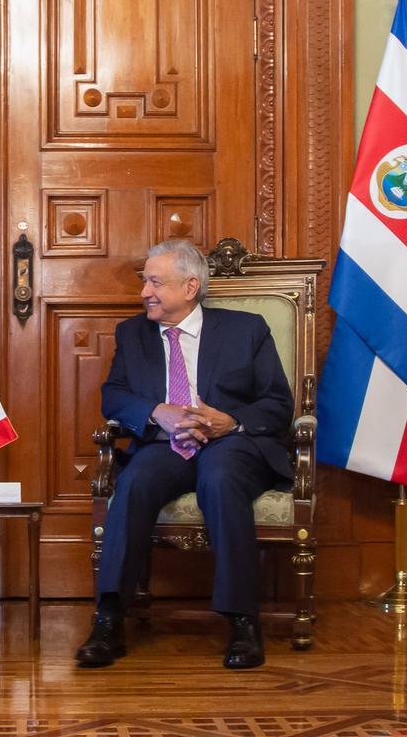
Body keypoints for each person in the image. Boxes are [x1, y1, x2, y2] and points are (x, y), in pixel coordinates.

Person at [76, 239, 293, 670]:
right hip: (166, 446)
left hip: (231, 446)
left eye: (155, 283)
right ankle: (109, 619)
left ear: (190, 286)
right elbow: (113, 396)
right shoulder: (133, 334)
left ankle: (242, 621)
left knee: (220, 478)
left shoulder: (246, 330)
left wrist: (231, 421)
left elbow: (278, 404)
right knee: (134, 483)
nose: (145, 292)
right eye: (145, 282)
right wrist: (157, 411)